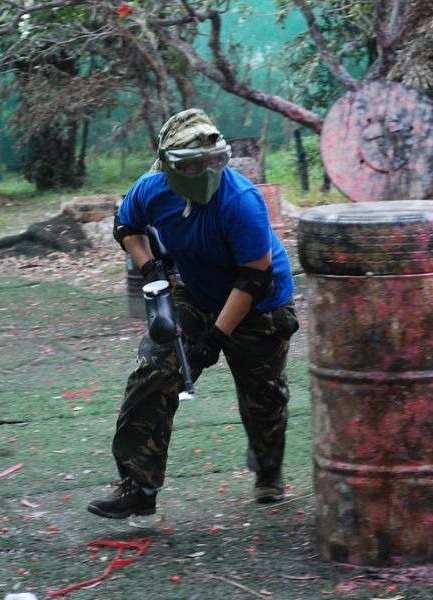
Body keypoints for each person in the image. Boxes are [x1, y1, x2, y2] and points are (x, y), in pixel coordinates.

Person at [87, 108, 299, 519]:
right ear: (169, 166)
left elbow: (254, 280)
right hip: (198, 292)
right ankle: (138, 485)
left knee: (264, 397)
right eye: (193, 165)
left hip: (261, 304)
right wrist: (150, 267)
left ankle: (268, 470)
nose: (206, 171)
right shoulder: (152, 189)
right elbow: (125, 226)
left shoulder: (241, 201)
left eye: (214, 161)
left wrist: (214, 340)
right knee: (154, 369)